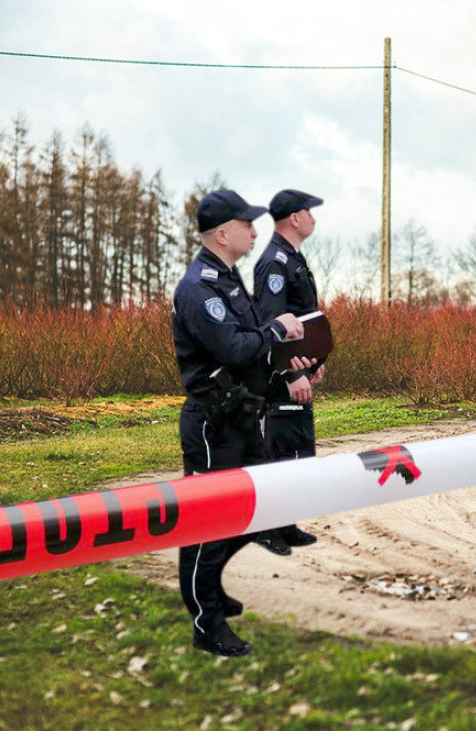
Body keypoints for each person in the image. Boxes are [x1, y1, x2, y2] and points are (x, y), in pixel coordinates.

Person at [172, 188, 314, 657]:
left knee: (250, 515)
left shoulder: (229, 279)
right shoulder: (199, 288)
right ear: (222, 233)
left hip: (243, 415)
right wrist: (276, 328)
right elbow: (234, 348)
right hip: (213, 422)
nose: (255, 230)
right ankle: (206, 621)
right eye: (247, 223)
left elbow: (255, 347)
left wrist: (294, 363)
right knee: (208, 522)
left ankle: (207, 589)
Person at [249, 189, 326, 556]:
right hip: (280, 380)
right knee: (277, 451)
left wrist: (315, 362)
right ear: (295, 218)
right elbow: (272, 322)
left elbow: (304, 317)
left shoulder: (293, 257)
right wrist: (290, 375)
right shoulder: (274, 262)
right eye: (309, 212)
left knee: (297, 448)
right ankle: (265, 529)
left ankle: (285, 523)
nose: (314, 218)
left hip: (300, 371)